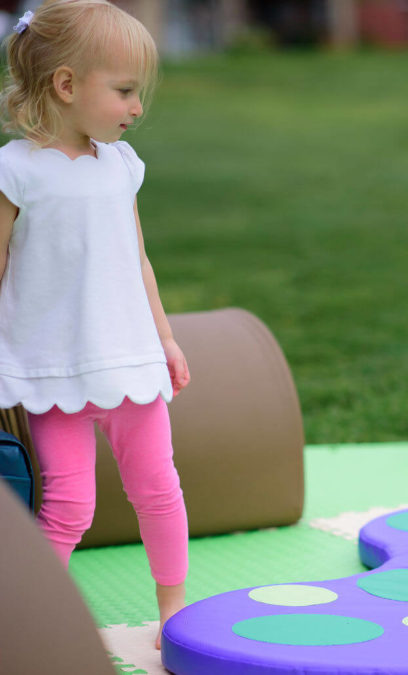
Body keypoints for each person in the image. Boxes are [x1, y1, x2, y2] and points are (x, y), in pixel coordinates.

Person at [0, 0, 189, 649]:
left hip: (130, 360)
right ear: (67, 85)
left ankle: (174, 609)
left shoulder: (122, 167)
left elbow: (138, 260)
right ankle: (32, 619)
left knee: (158, 485)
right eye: (126, 91)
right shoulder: (17, 169)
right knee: (68, 505)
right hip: (54, 366)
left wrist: (164, 338)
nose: (138, 107)